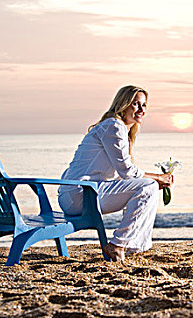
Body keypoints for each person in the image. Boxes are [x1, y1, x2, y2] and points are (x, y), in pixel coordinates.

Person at [58, 85, 173, 262]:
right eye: (136, 104)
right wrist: (158, 178)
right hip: (81, 195)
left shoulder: (116, 128)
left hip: (79, 193)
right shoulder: (114, 126)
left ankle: (133, 246)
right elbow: (127, 172)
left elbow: (123, 175)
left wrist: (155, 181)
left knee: (146, 188)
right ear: (123, 104)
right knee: (148, 186)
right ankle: (118, 244)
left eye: (144, 105)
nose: (141, 109)